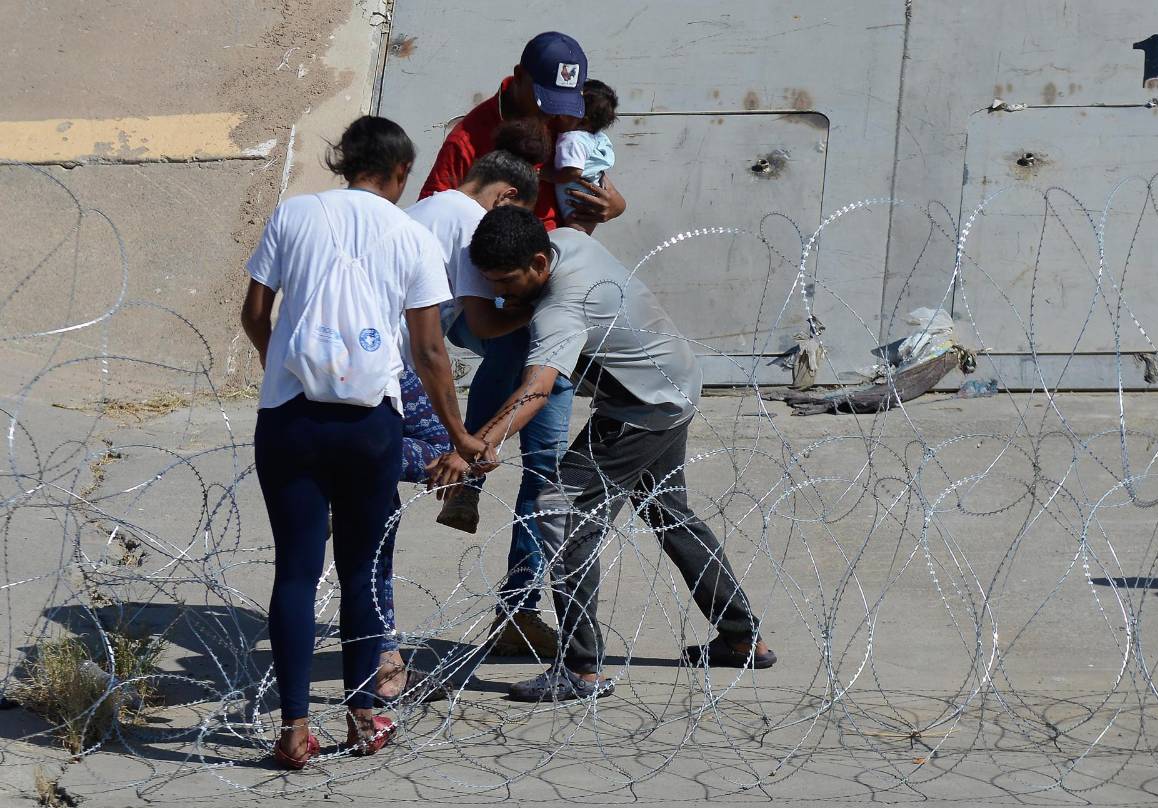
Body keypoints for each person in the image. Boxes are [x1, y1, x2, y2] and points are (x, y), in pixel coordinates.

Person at [427, 207, 778, 703]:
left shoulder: (560, 310)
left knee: (560, 510)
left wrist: (473, 447)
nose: (500, 294)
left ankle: (581, 669)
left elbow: (537, 389)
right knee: (668, 514)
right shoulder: (566, 239)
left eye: (506, 281)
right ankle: (742, 638)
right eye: (491, 283)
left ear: (539, 262)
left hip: (642, 408)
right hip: (672, 385)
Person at [241, 116, 487, 767]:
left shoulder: (293, 215)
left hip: (290, 419)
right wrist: (459, 434)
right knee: (359, 572)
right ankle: (363, 718)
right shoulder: (411, 237)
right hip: (370, 425)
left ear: (344, 161)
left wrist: (279, 368)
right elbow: (430, 352)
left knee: (296, 572)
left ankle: (294, 730)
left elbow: (254, 313)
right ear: (401, 172)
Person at [382, 147, 559, 666]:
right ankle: (347, 462)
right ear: (506, 196)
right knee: (445, 451)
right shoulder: (469, 223)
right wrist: (541, 311)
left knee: (399, 487)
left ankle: (349, 464)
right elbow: (480, 323)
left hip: (371, 359)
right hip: (395, 363)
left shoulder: (427, 209)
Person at [419, 31, 626, 232]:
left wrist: (616, 204)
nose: (553, 112)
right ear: (519, 76)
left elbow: (589, 172)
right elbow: (430, 215)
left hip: (558, 245)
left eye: (563, 102)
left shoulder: (564, 122)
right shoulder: (467, 139)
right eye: (546, 100)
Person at [540, 79, 618, 232]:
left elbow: (574, 172)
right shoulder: (594, 136)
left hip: (577, 205)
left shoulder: (573, 139)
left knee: (574, 234)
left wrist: (548, 175)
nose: (559, 114)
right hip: (589, 199)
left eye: (567, 111)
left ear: (583, 121)